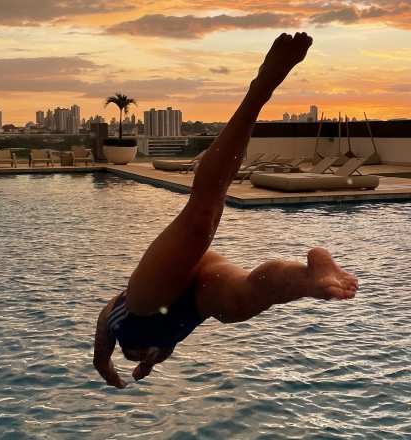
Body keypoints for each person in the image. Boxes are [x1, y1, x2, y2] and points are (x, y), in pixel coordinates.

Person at [93, 32, 358, 388]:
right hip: (190, 310)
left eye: (134, 356)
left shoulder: (116, 321)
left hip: (147, 299)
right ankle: (309, 277)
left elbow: (102, 329)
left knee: (202, 216)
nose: (137, 357)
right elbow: (158, 348)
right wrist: (148, 366)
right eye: (138, 358)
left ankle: (262, 85)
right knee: (241, 301)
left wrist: (105, 367)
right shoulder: (158, 350)